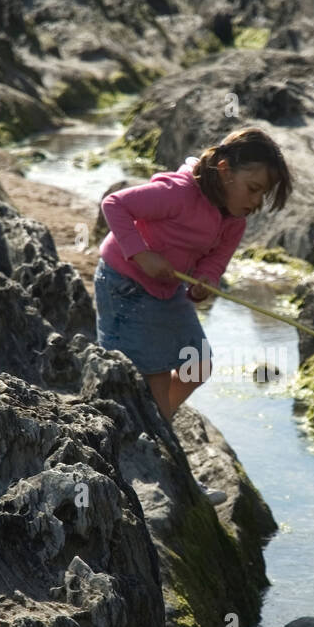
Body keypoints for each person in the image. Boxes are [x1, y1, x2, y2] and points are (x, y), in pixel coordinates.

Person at [93, 126, 292, 500]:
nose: (256, 201)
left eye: (263, 195)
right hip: (126, 283)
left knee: (197, 364)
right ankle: (164, 465)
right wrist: (141, 253)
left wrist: (204, 280)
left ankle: (147, 428)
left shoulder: (235, 220)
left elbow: (216, 260)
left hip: (168, 290)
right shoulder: (178, 194)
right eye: (253, 188)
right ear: (225, 170)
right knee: (149, 378)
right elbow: (115, 204)